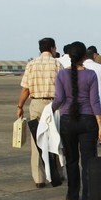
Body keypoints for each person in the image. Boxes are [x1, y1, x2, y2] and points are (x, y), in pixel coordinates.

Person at [51, 42, 101, 200]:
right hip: (88, 120)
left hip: (67, 120)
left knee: (71, 159)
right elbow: (94, 102)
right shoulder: (91, 75)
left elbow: (59, 99)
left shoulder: (61, 74)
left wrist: (50, 110)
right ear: (84, 56)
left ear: (69, 56)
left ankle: (73, 193)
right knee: (89, 160)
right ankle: (88, 197)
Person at [17, 38, 62, 188]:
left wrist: (20, 106)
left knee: (37, 141)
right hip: (53, 105)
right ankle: (58, 174)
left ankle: (39, 178)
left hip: (36, 103)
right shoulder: (57, 64)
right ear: (52, 48)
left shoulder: (31, 64)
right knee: (55, 139)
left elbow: (25, 89)